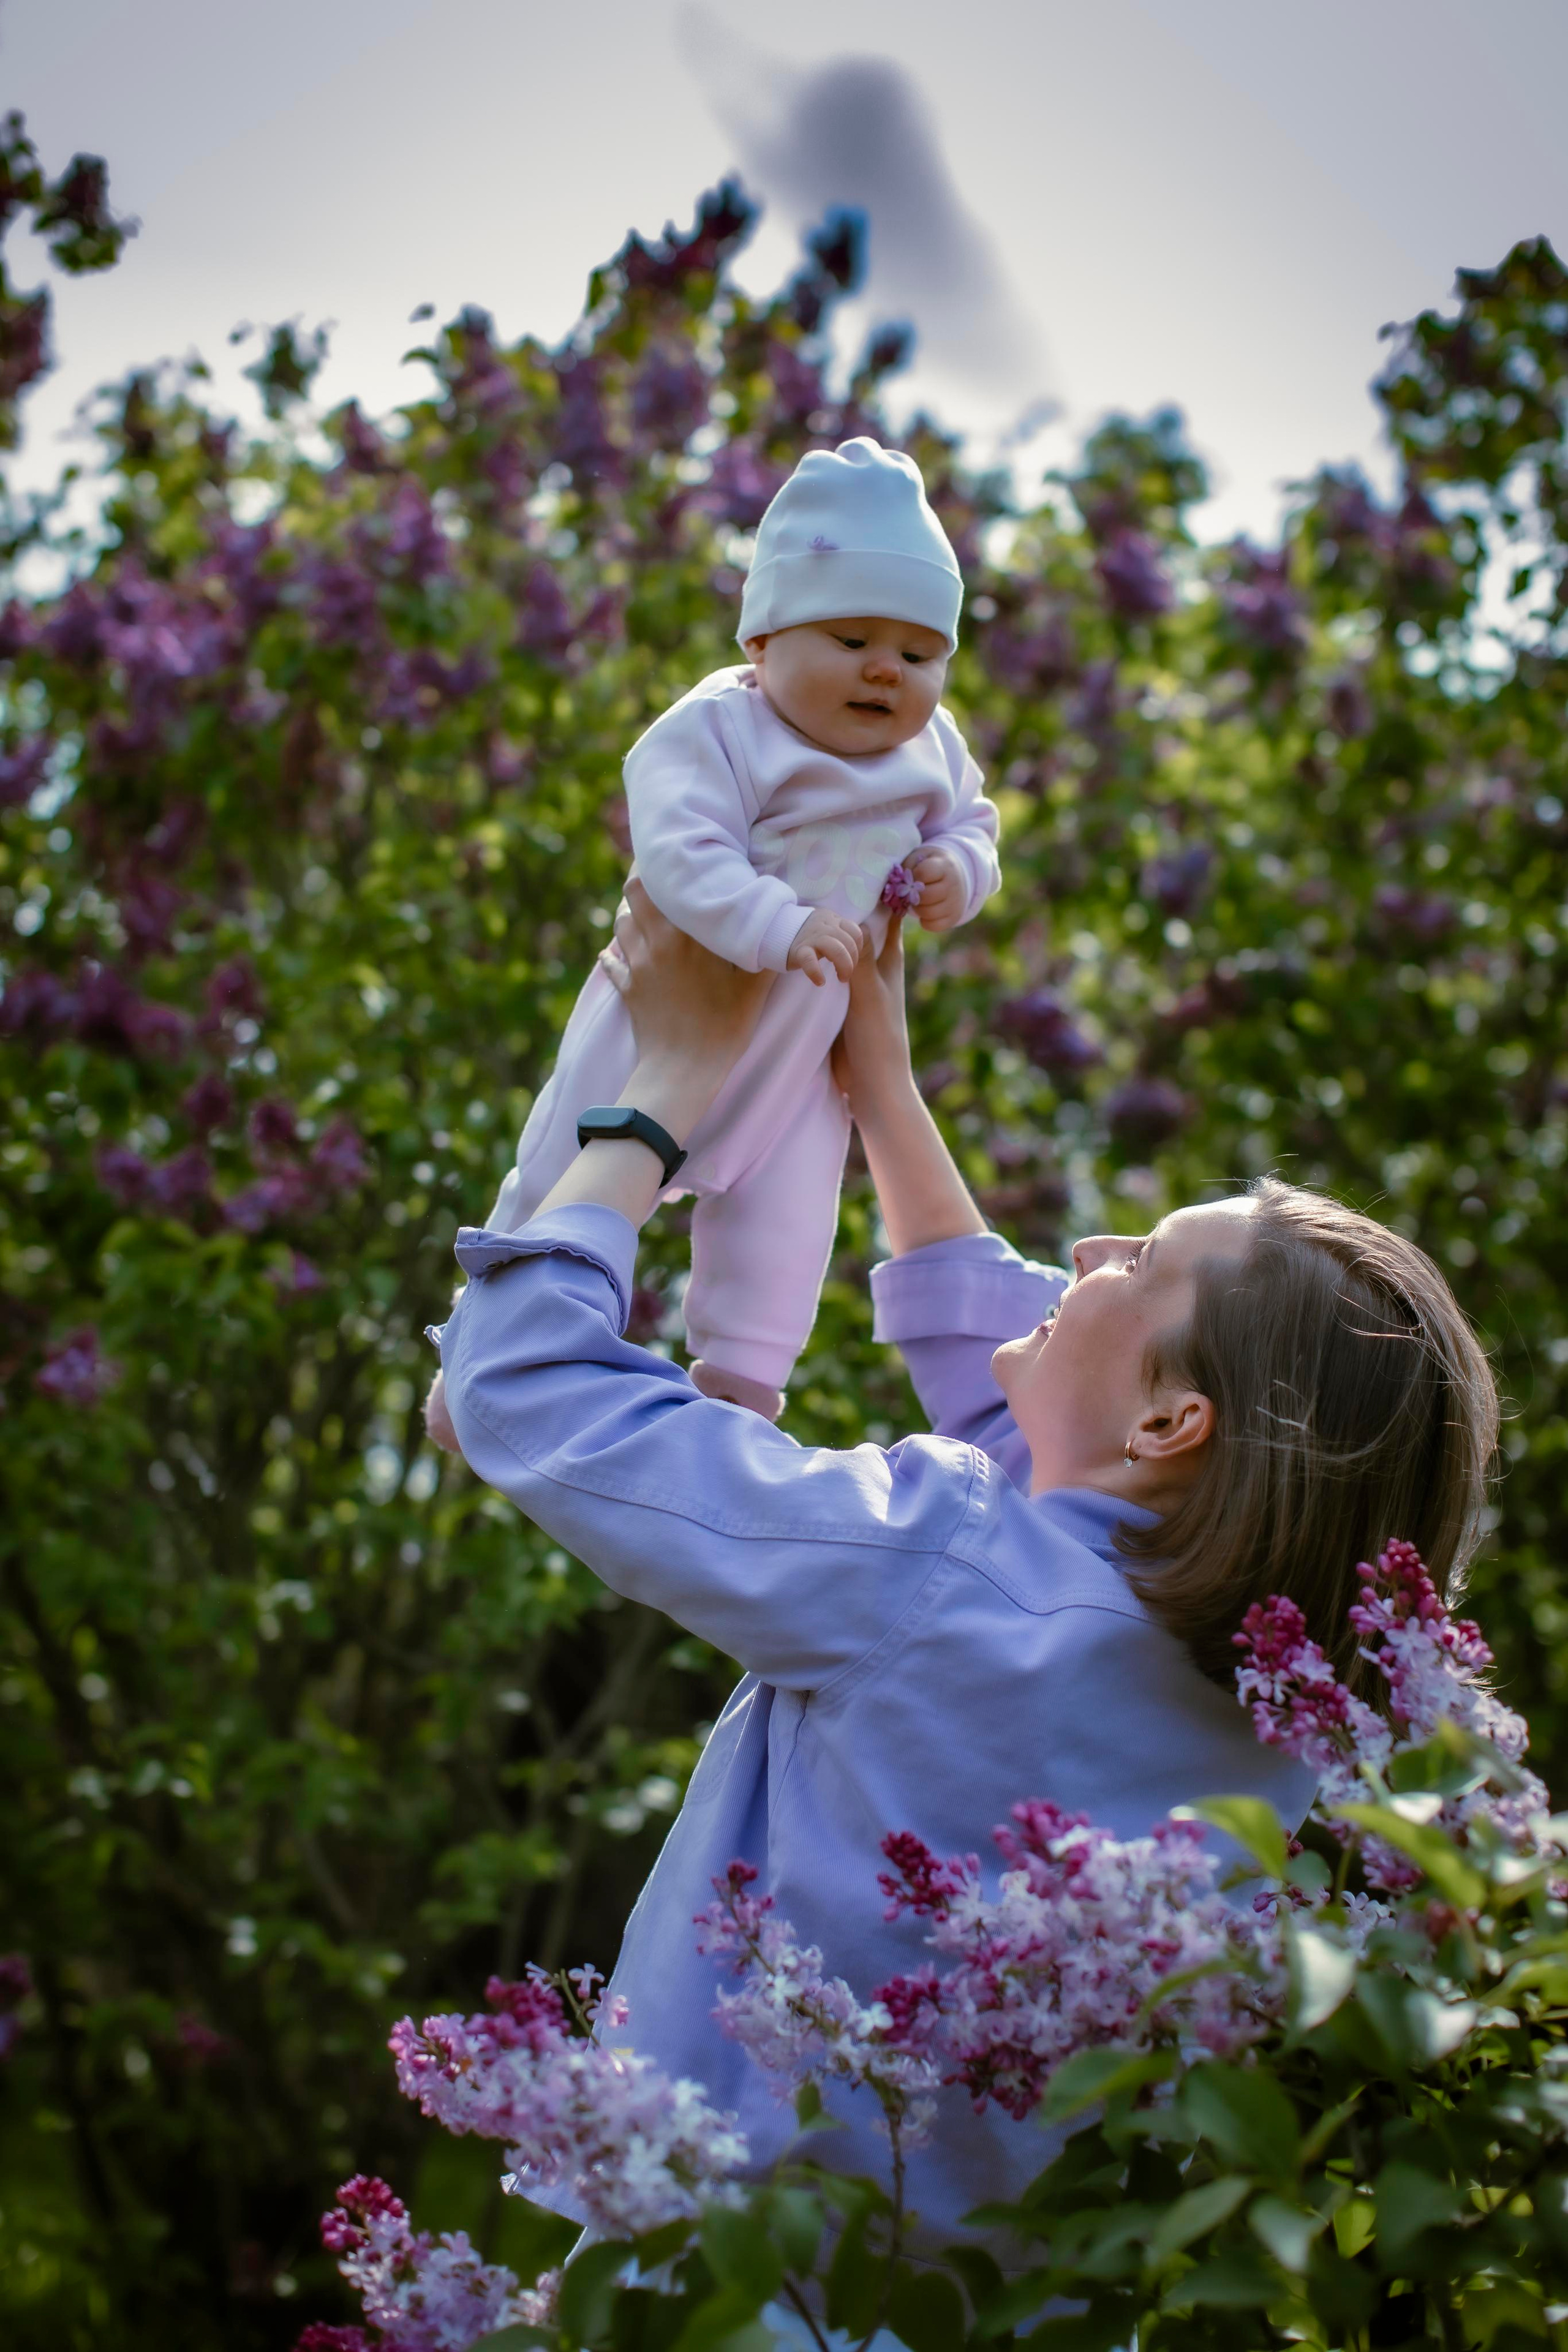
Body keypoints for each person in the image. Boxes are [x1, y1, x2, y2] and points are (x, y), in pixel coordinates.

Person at [429, 881, 1498, 2253]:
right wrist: (878, 1081)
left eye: (1141, 1261)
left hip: (722, 2300)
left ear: (1175, 1421)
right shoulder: (1282, 1726)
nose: (1087, 1252)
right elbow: (1049, 1448)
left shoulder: (936, 1566)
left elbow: (526, 1386)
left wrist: (666, 1082)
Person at [429, 436, 1000, 1436]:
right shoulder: (720, 730)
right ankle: (474, 1345)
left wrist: (960, 872)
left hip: (809, 1050)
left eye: (918, 653)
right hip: (665, 1012)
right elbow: (680, 852)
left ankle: (741, 1382)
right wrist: (773, 922)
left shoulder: (933, 751)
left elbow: (972, 824)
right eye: (850, 637)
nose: (884, 670)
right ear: (763, 643)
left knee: (787, 1219)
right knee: (562, 1164)